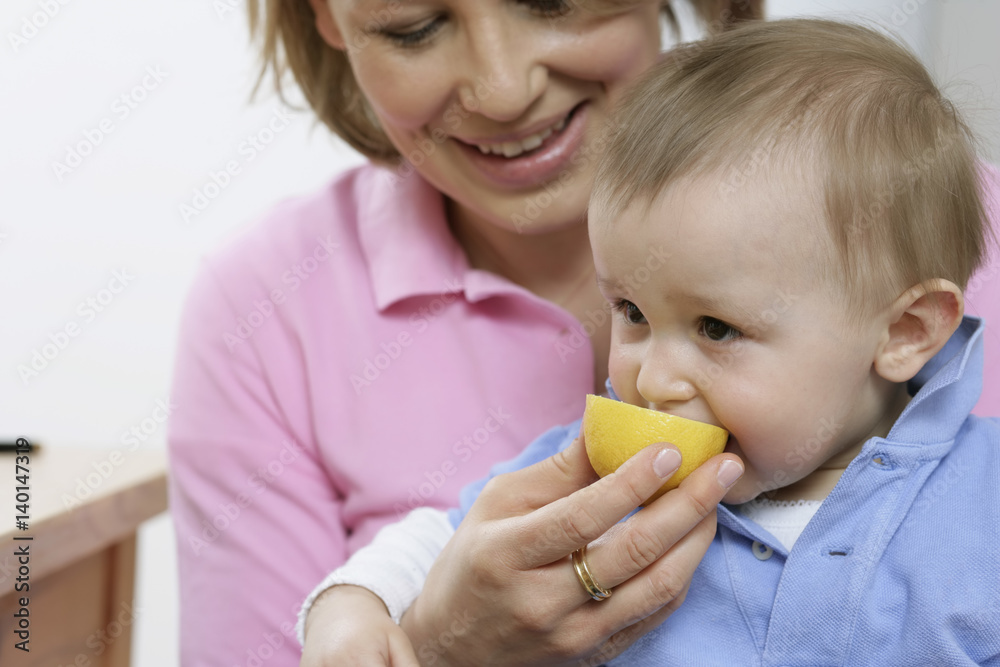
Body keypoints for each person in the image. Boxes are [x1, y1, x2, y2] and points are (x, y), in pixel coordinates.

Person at [298, 18, 1000, 666]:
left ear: (905, 332)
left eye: (716, 328)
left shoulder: (984, 499)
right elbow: (443, 543)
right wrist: (352, 610)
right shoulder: (596, 482)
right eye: (631, 311)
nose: (653, 378)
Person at [168, 1, 777, 664]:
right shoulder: (267, 308)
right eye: (414, 28)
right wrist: (440, 647)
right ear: (329, 18)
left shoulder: (854, 228)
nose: (503, 90)